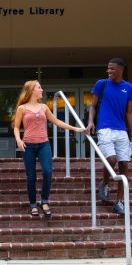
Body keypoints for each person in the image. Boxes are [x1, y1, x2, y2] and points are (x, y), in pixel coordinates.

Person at [12, 80, 85, 218]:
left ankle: (44, 201)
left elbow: (57, 121)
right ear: (32, 90)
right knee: (31, 177)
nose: (42, 90)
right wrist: (18, 140)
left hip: (44, 144)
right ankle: (33, 204)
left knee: (47, 171)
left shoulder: (44, 107)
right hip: (28, 145)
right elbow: (16, 127)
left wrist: (75, 128)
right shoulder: (22, 108)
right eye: (39, 88)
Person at [85, 58, 132, 215]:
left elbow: (129, 112)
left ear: (121, 69)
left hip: (121, 130)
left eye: (112, 69)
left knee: (124, 165)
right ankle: (105, 183)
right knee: (111, 159)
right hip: (104, 128)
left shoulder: (128, 88)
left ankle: (119, 202)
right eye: (108, 69)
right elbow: (93, 106)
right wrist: (90, 122)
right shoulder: (102, 84)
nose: (109, 71)